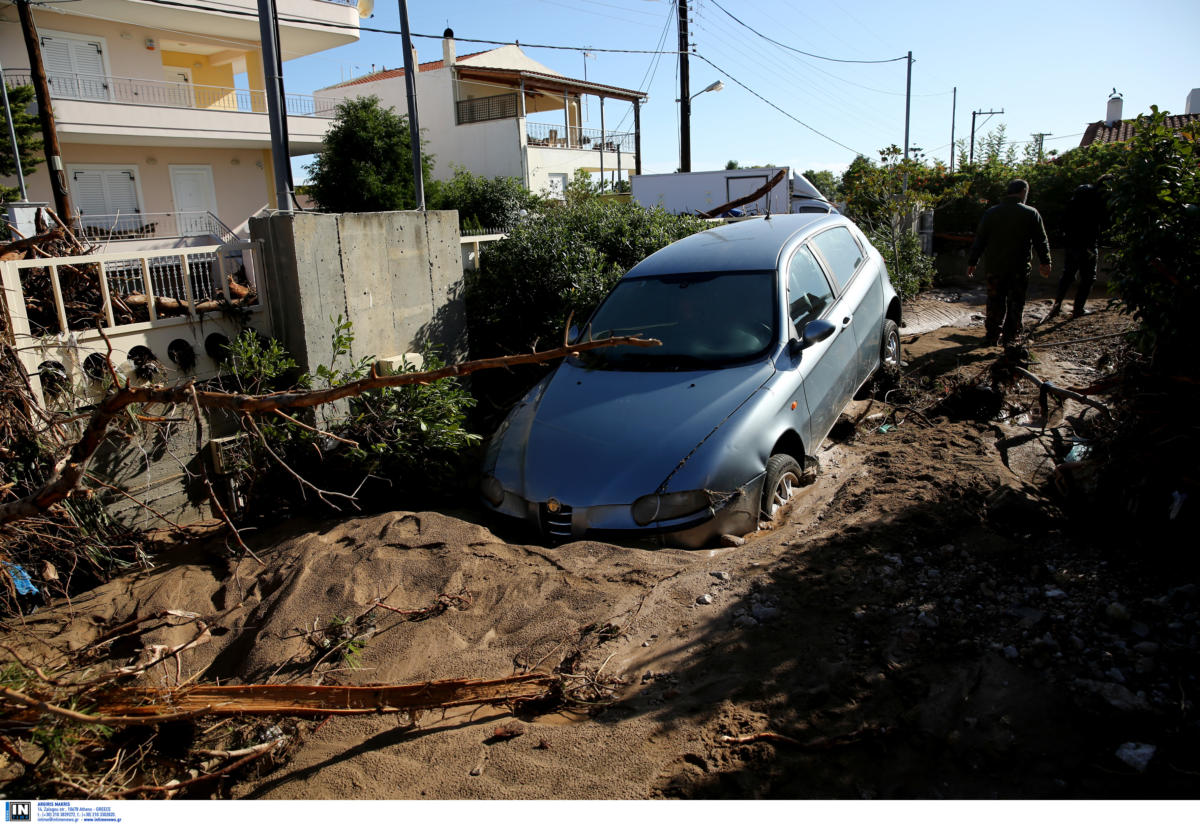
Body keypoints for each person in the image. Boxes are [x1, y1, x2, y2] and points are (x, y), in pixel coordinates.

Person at [967, 179, 1052, 346]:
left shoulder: (991, 213)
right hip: (1019, 268)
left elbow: (980, 239)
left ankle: (992, 336)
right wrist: (1045, 261)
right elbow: (1040, 240)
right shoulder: (1030, 213)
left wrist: (972, 261)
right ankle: (1010, 337)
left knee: (994, 302)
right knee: (1015, 303)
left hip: (995, 268)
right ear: (1023, 192)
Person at [1047, 181, 1106, 320]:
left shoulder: (1074, 200)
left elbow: (1063, 223)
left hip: (1071, 244)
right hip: (1088, 244)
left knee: (1068, 275)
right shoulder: (1096, 202)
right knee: (1088, 277)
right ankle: (1078, 308)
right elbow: (1100, 222)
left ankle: (1056, 306)